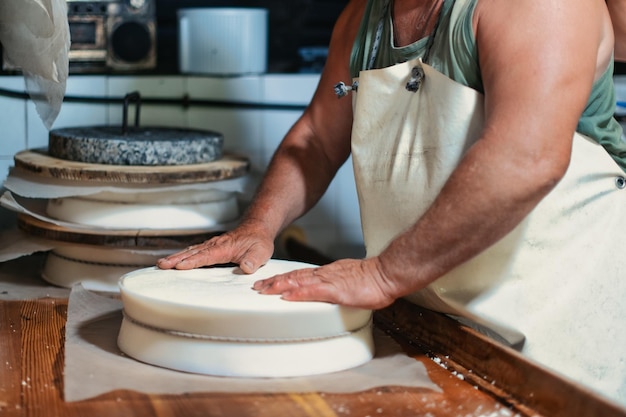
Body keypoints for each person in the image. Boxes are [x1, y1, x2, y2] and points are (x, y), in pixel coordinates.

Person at [159, 0, 626, 405]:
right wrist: (258, 225)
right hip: (441, 330)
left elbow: (527, 158)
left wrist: (382, 274)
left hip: (561, 340)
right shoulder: (365, 17)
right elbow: (319, 139)